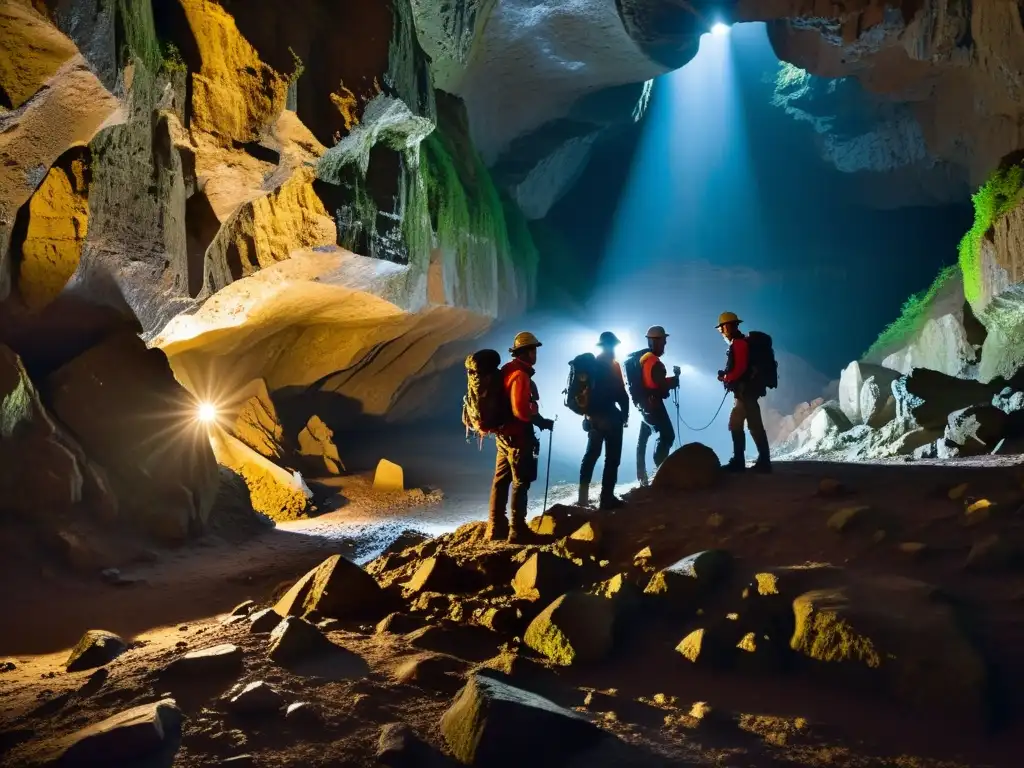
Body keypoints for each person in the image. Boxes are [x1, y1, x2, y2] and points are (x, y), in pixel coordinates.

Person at [487, 331, 555, 542]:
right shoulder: (520, 375)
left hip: (503, 435)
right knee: (520, 482)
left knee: (500, 481)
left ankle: (495, 528)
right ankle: (517, 530)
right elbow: (521, 411)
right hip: (518, 437)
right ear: (527, 352)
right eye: (534, 350)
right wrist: (538, 417)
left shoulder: (507, 370)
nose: (536, 354)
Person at [578, 331, 630, 510]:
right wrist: (625, 415)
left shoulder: (591, 366)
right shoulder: (612, 365)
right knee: (612, 458)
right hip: (610, 417)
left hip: (592, 417)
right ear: (613, 346)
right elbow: (621, 394)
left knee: (591, 455)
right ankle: (606, 498)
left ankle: (582, 498)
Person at [716, 312, 771, 473]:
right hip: (747, 392)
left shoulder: (738, 344)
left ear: (727, 327)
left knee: (738, 423)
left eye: (721, 329)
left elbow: (740, 368)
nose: (721, 332)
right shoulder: (740, 343)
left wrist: (726, 377)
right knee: (751, 424)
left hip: (745, 392)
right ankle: (761, 461)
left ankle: (742, 462)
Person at [635, 325, 679, 486]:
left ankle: (642, 478)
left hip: (644, 406)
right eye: (664, 341)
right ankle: (662, 473)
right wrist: (672, 382)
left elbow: (651, 382)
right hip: (654, 406)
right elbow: (661, 388)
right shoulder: (656, 362)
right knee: (667, 436)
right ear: (657, 341)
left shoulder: (644, 359)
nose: (665, 345)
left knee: (643, 441)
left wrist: (668, 382)